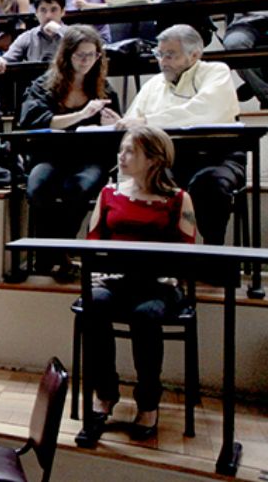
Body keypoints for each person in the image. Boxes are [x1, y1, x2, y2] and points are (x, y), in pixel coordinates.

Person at [81, 126, 196, 444]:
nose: (121, 155)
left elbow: (186, 251)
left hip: (158, 285)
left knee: (146, 314)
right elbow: (93, 241)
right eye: (121, 148)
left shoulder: (178, 199)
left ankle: (148, 402)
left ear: (153, 159)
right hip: (116, 281)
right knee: (95, 303)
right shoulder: (109, 194)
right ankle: (105, 393)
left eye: (130, 150)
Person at [115, 25, 243, 246]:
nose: (163, 61)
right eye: (160, 54)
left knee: (207, 186)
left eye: (170, 55)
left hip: (217, 155)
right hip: (170, 158)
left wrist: (147, 121)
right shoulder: (154, 83)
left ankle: (215, 254)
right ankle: (163, 260)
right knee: (150, 180)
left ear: (195, 54)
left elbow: (205, 111)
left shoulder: (216, 71)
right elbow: (133, 121)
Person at [17, 26, 121, 279]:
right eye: (79, 55)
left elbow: (117, 131)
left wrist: (115, 123)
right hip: (50, 155)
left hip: (89, 158)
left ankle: (58, 250)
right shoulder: (44, 85)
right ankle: (48, 252)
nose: (85, 61)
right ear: (67, 55)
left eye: (91, 55)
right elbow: (36, 120)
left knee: (80, 189)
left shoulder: (104, 88)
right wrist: (82, 114)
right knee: (38, 187)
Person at [0, 0, 68, 73]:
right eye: (43, 10)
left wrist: (60, 31)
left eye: (54, 10)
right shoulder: (27, 37)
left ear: (63, 12)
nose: (48, 15)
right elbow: (7, 58)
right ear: (36, 14)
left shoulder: (74, 34)